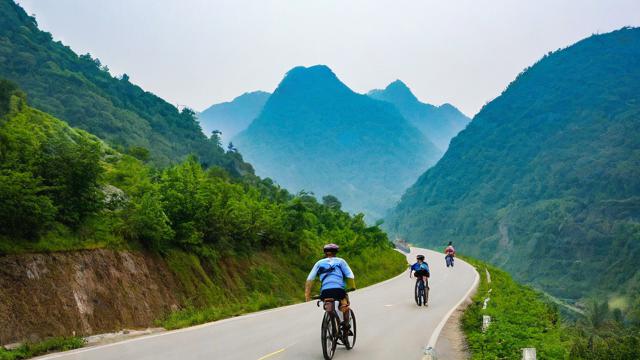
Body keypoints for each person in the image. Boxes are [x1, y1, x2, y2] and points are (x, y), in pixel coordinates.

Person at [305, 243, 356, 332]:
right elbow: (350, 275)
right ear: (336, 252)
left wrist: (307, 295)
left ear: (325, 252)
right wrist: (352, 287)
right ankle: (346, 327)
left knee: (328, 302)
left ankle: (330, 319)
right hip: (339, 290)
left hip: (325, 292)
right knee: (344, 304)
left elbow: (310, 279)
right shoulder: (340, 261)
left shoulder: (319, 263)